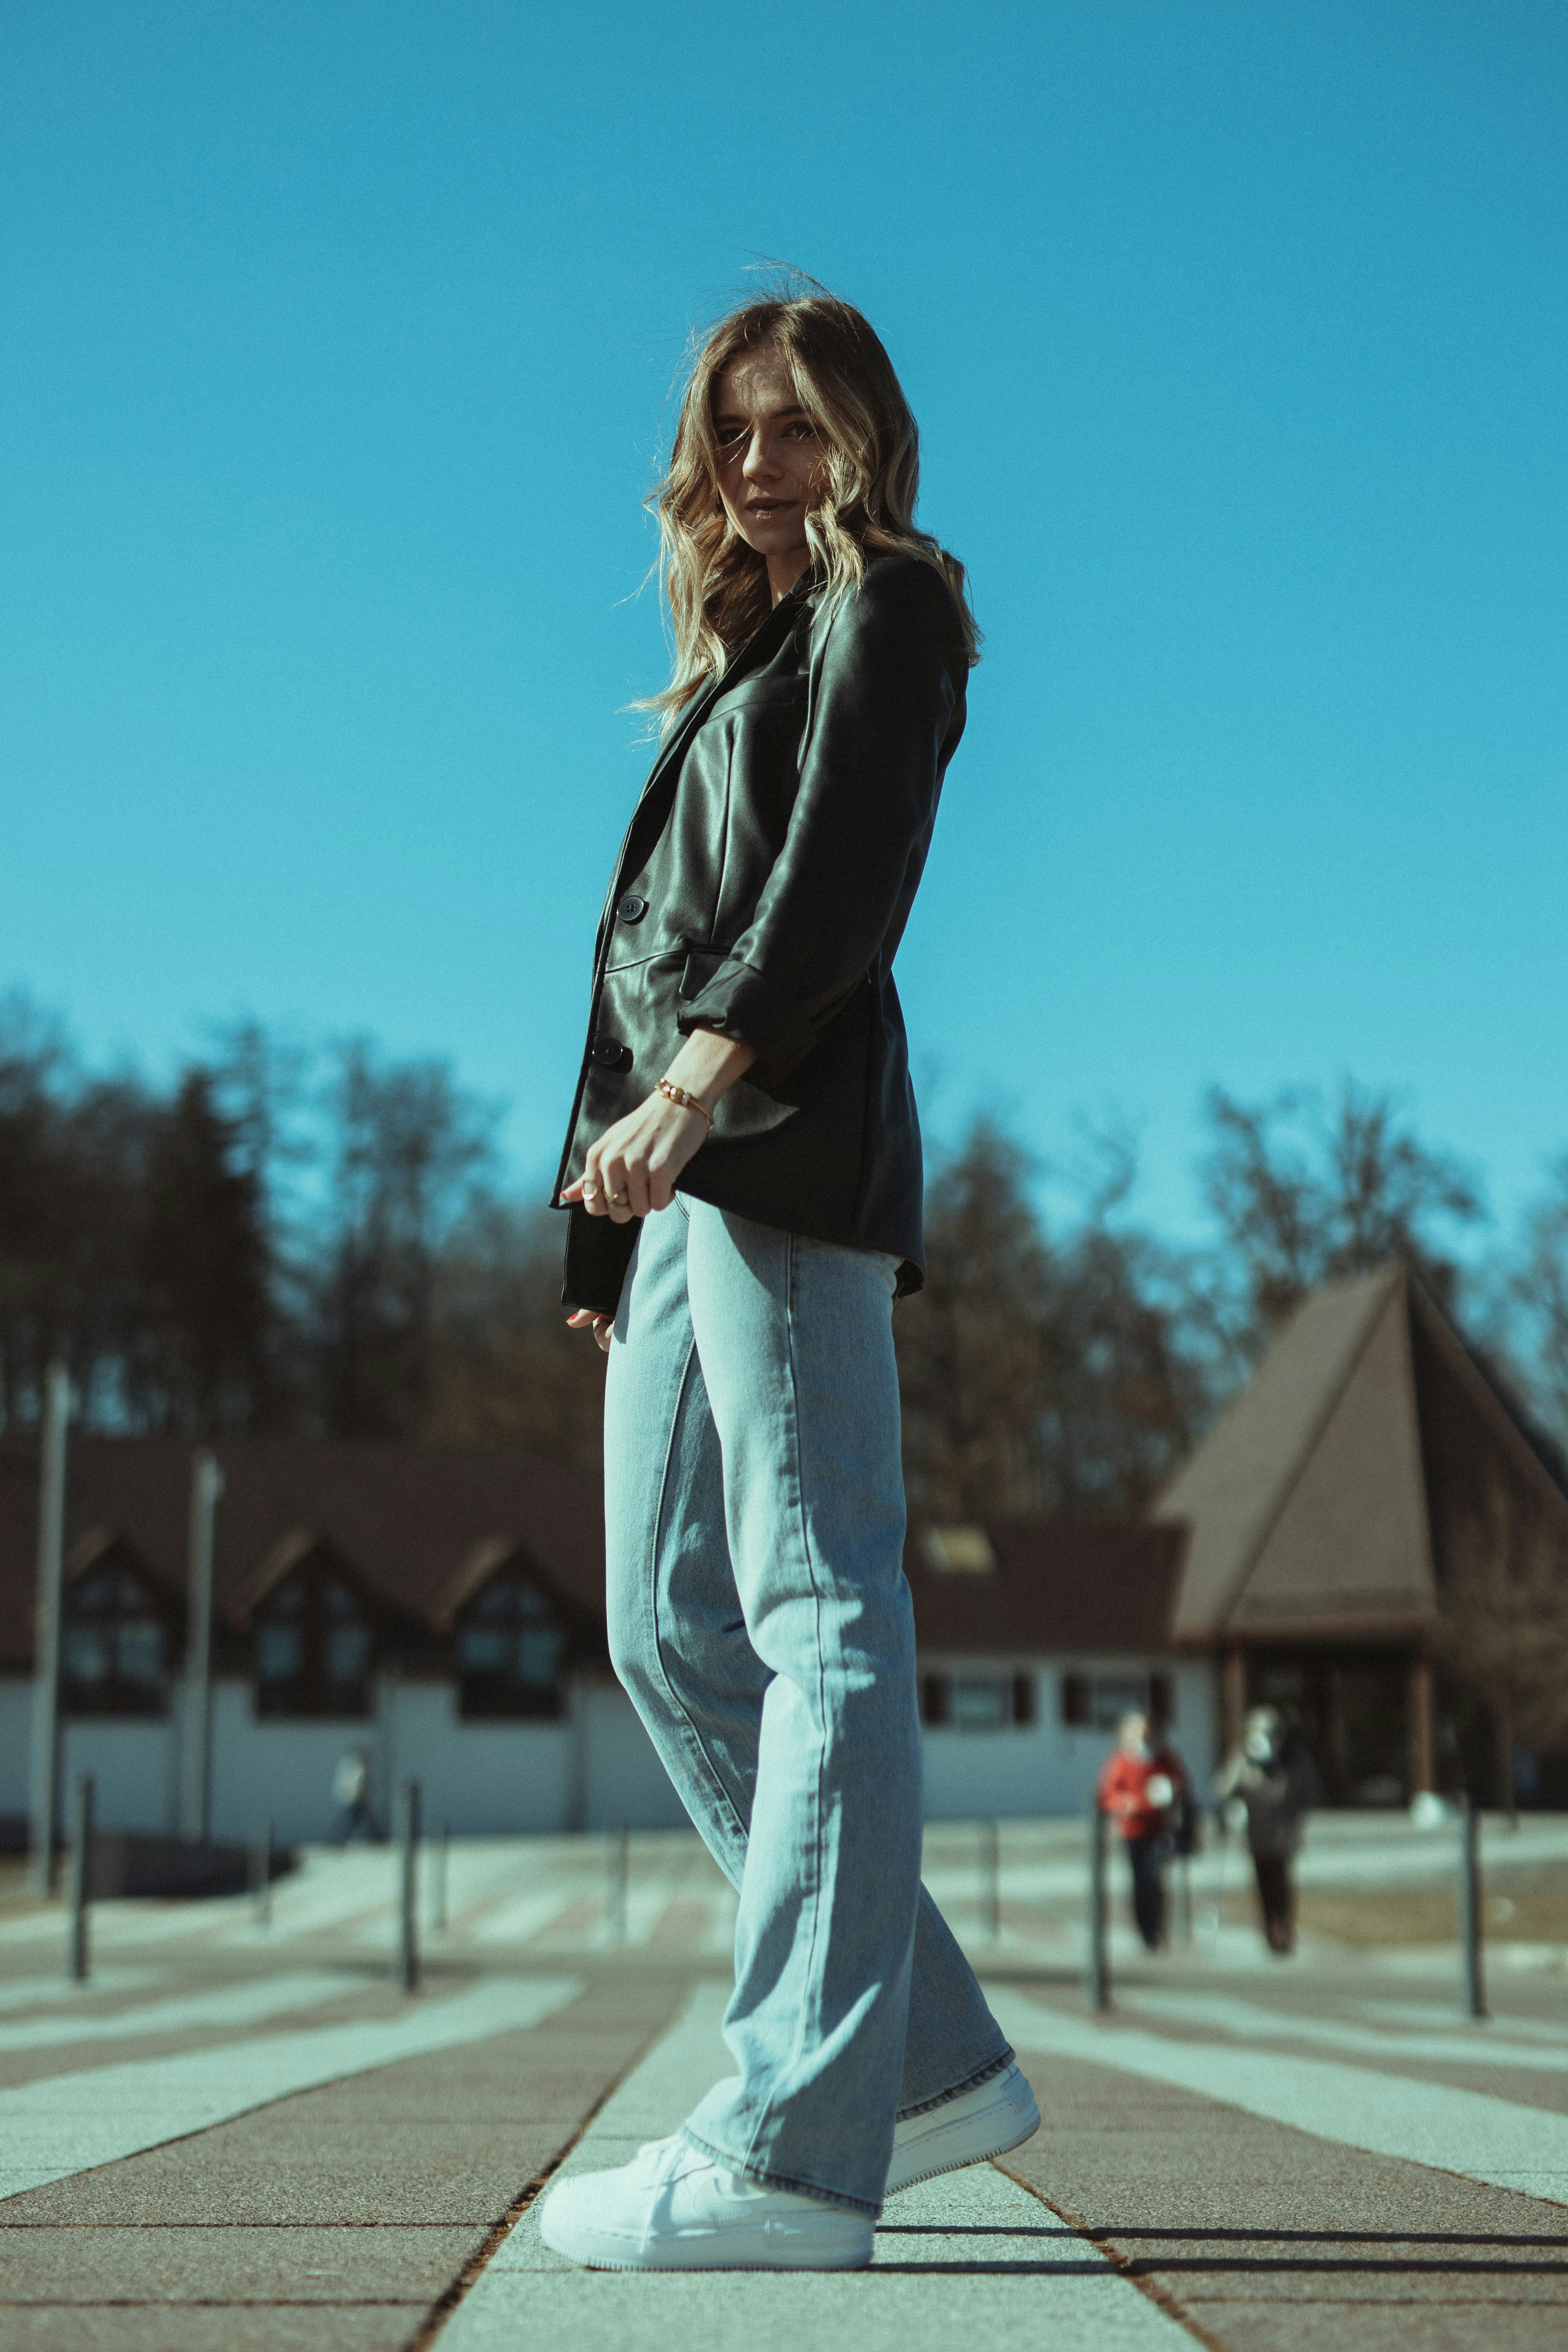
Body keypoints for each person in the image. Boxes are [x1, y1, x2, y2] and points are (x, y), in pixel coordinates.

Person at [537, 284, 1038, 2274]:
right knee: (668, 1627)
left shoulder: (885, 608)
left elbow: (837, 885)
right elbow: (638, 937)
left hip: (775, 1150)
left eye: (798, 426)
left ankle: (791, 2140)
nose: (760, 464)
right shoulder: (736, 654)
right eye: (734, 428)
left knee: (818, 1602)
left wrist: (692, 1094)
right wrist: (603, 1216)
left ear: (865, 440)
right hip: (670, 1187)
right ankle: (917, 2061)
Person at [1216, 1704, 1319, 1954]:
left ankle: (1285, 1929)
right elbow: (1222, 1790)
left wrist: (1294, 1814)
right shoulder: (1244, 1758)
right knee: (1263, 1884)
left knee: (1282, 1882)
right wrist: (1243, 1770)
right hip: (1256, 1834)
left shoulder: (1294, 1759)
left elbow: (1309, 1792)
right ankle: (1269, 1931)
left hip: (1284, 1832)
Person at [1096, 1710, 1190, 1951]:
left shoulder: (1165, 1758)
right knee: (1141, 1882)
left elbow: (1182, 1786)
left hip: (1161, 1829)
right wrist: (1126, 1803)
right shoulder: (1122, 1759)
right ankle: (1146, 1931)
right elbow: (1107, 1795)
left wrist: (1171, 1794)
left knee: (1157, 1878)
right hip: (1134, 1829)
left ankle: (1159, 1928)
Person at [330, 1748, 375, 1844]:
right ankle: (338, 1839)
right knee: (353, 1821)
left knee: (357, 1820)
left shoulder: (355, 1768)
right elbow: (358, 1785)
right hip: (356, 1800)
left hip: (356, 1799)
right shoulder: (357, 1769)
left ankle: (376, 1836)